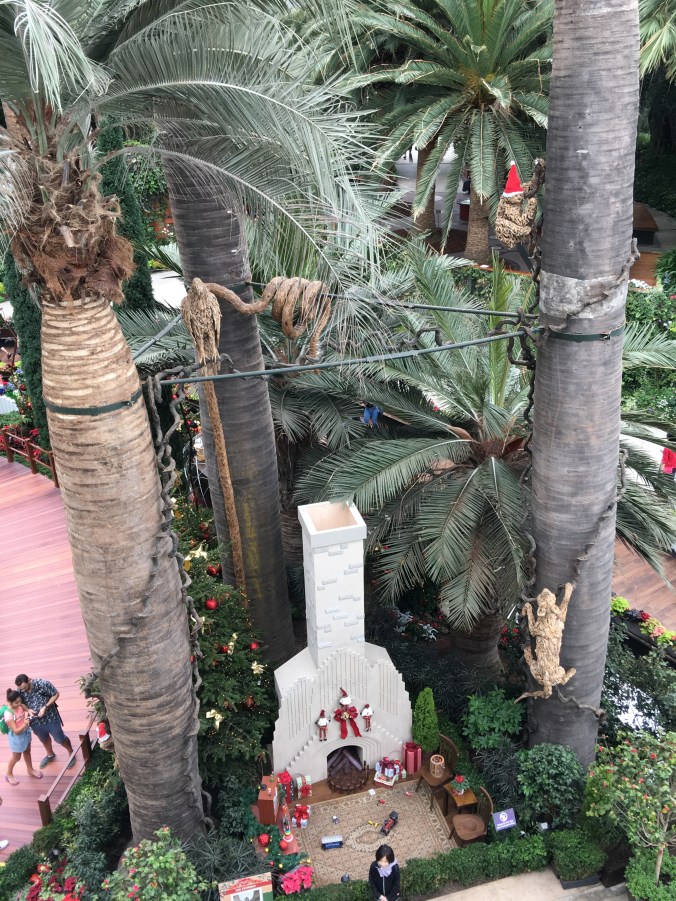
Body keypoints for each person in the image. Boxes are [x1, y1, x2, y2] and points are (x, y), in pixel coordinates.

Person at [14, 675, 75, 770]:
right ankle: (50, 754)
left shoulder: (42, 683)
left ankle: (71, 752)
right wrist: (28, 710)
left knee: (60, 739)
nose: (24, 690)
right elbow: (20, 703)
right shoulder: (20, 690)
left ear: (29, 680)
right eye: (22, 689)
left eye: (25, 688)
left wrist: (45, 707)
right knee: (44, 739)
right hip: (35, 721)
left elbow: (55, 694)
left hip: (51, 718)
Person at [3, 689, 42, 784]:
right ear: (9, 702)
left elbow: (23, 706)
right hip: (17, 738)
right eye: (16, 702)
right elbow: (16, 731)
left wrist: (28, 710)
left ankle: (30, 769)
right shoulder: (8, 714)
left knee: (27, 751)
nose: (19, 703)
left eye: (20, 701)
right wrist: (25, 723)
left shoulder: (19, 705)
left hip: (25, 733)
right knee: (16, 757)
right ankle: (9, 773)